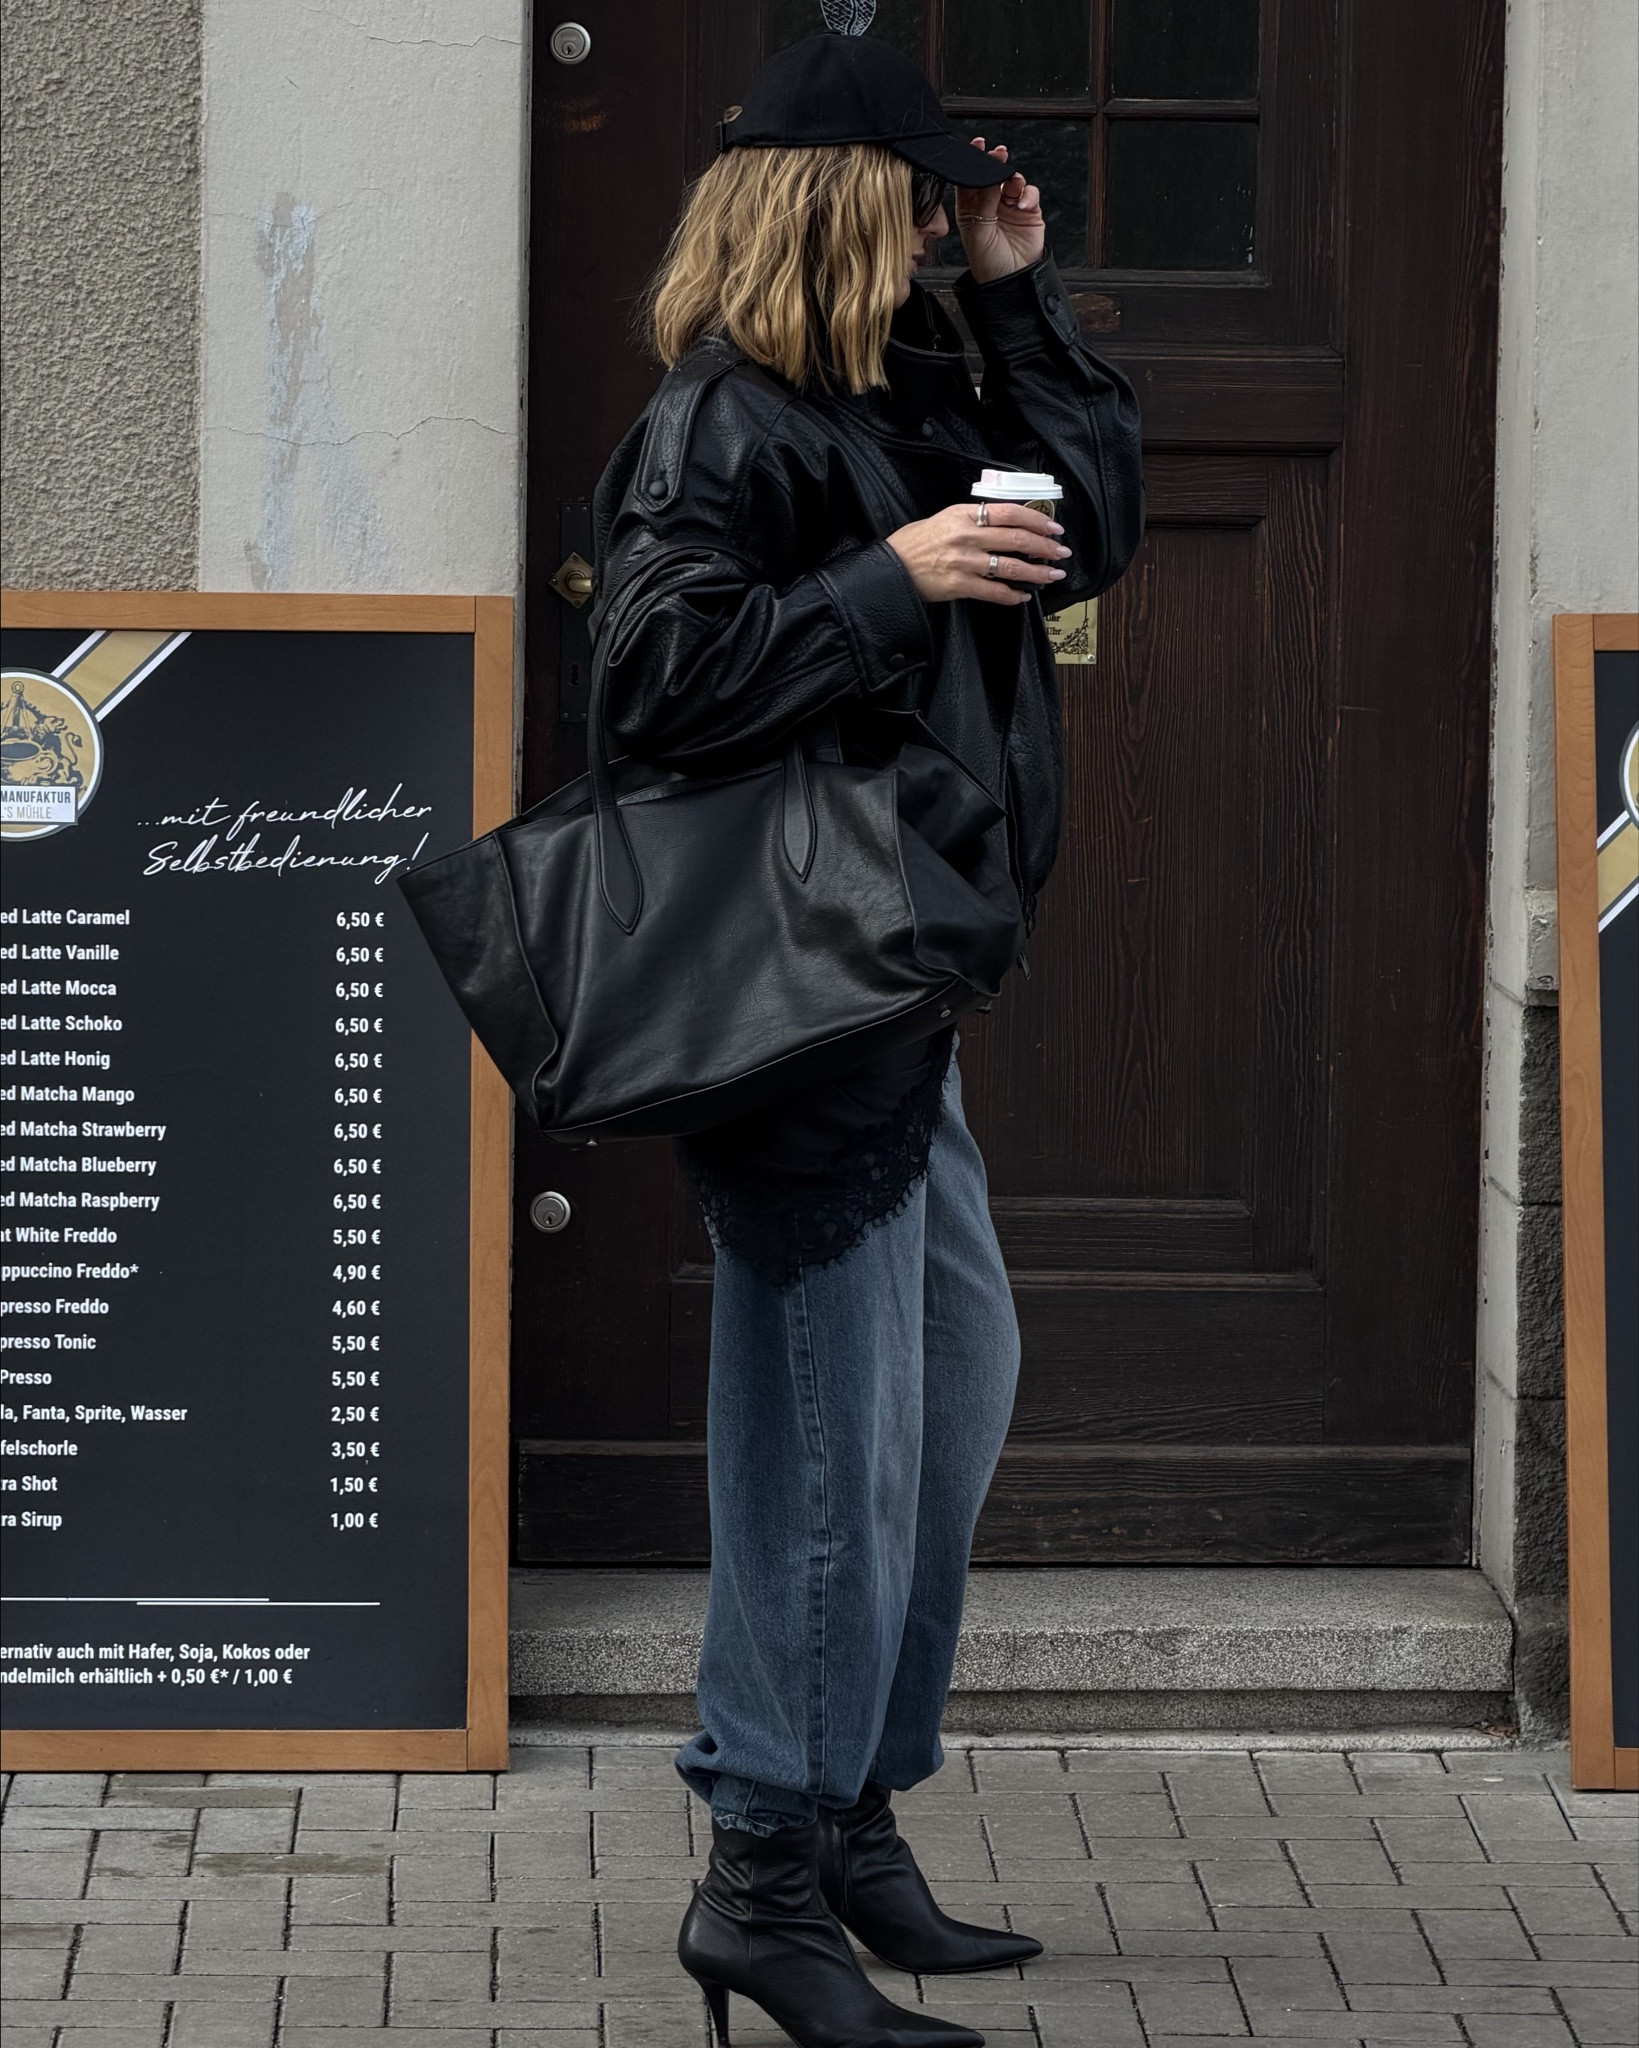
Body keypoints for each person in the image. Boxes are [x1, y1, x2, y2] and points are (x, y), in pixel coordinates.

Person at [590, 32, 1143, 2048]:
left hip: (904, 979)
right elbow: (655, 677)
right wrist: (886, 581)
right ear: (838, 204)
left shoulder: (911, 389)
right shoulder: (718, 424)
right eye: (926, 196)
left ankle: (839, 1819)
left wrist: (1021, 297)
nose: (944, 216)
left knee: (949, 1399)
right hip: (795, 993)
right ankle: (761, 1876)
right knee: (833, 1456)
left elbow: (1091, 524)